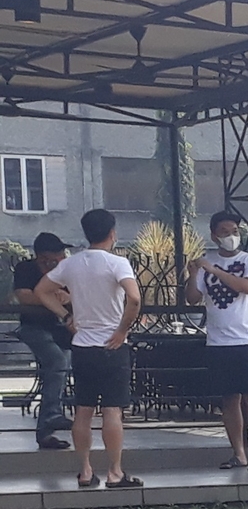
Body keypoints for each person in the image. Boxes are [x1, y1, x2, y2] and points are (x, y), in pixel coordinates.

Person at [36, 208, 142, 488]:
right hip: (112, 345)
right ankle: (115, 471)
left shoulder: (72, 264)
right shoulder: (117, 263)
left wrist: (66, 316)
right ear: (112, 233)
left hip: (82, 344)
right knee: (112, 410)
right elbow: (133, 298)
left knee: (83, 410)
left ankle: (85, 470)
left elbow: (41, 290)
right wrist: (122, 330)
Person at [191, 208, 248, 470]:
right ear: (214, 236)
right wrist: (193, 272)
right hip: (219, 341)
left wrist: (213, 270)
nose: (231, 237)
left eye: (235, 232)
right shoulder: (206, 262)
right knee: (230, 399)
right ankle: (238, 453)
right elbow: (192, 298)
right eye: (225, 233)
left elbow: (247, 287)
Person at [12, 231, 72, 449]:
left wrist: (63, 297)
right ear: (41, 257)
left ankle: (45, 431)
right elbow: (24, 296)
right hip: (33, 326)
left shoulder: (66, 270)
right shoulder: (26, 269)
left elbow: (74, 294)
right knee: (57, 362)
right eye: (53, 257)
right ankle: (53, 414)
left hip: (62, 329)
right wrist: (49, 296)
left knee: (61, 368)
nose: (58, 260)